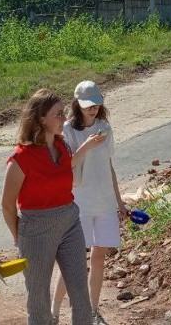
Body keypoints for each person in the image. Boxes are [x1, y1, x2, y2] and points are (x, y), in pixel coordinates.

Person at [1, 88, 106, 325]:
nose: (64, 118)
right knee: (38, 297)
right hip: (35, 228)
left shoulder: (62, 146)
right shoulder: (21, 157)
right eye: (58, 114)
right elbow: (7, 205)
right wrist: (20, 237)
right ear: (41, 118)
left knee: (79, 290)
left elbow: (69, 172)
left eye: (63, 113)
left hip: (69, 220)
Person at [52, 81, 129, 325]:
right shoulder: (67, 130)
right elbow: (66, 165)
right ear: (77, 104)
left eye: (97, 104)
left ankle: (92, 311)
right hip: (80, 202)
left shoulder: (105, 127)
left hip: (104, 201)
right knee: (72, 260)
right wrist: (85, 146)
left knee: (99, 258)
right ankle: (54, 312)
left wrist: (120, 201)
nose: (93, 109)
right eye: (88, 105)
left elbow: (109, 165)